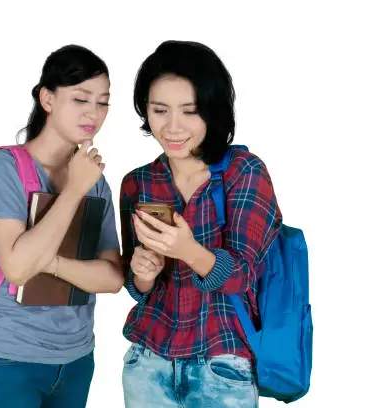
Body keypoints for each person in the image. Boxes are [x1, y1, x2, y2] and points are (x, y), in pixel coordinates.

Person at [119, 40, 283, 407]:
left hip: (223, 367)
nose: (172, 127)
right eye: (160, 110)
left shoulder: (243, 172)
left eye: (189, 111)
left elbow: (242, 275)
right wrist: (143, 272)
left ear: (212, 110)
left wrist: (187, 251)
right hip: (148, 363)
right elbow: (137, 285)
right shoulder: (138, 182)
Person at [0, 44, 124, 408]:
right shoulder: (6, 168)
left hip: (77, 358)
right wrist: (73, 190)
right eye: (80, 99)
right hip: (8, 357)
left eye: (103, 102)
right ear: (48, 99)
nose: (94, 113)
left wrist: (50, 263)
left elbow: (113, 277)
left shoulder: (95, 180)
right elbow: (18, 268)